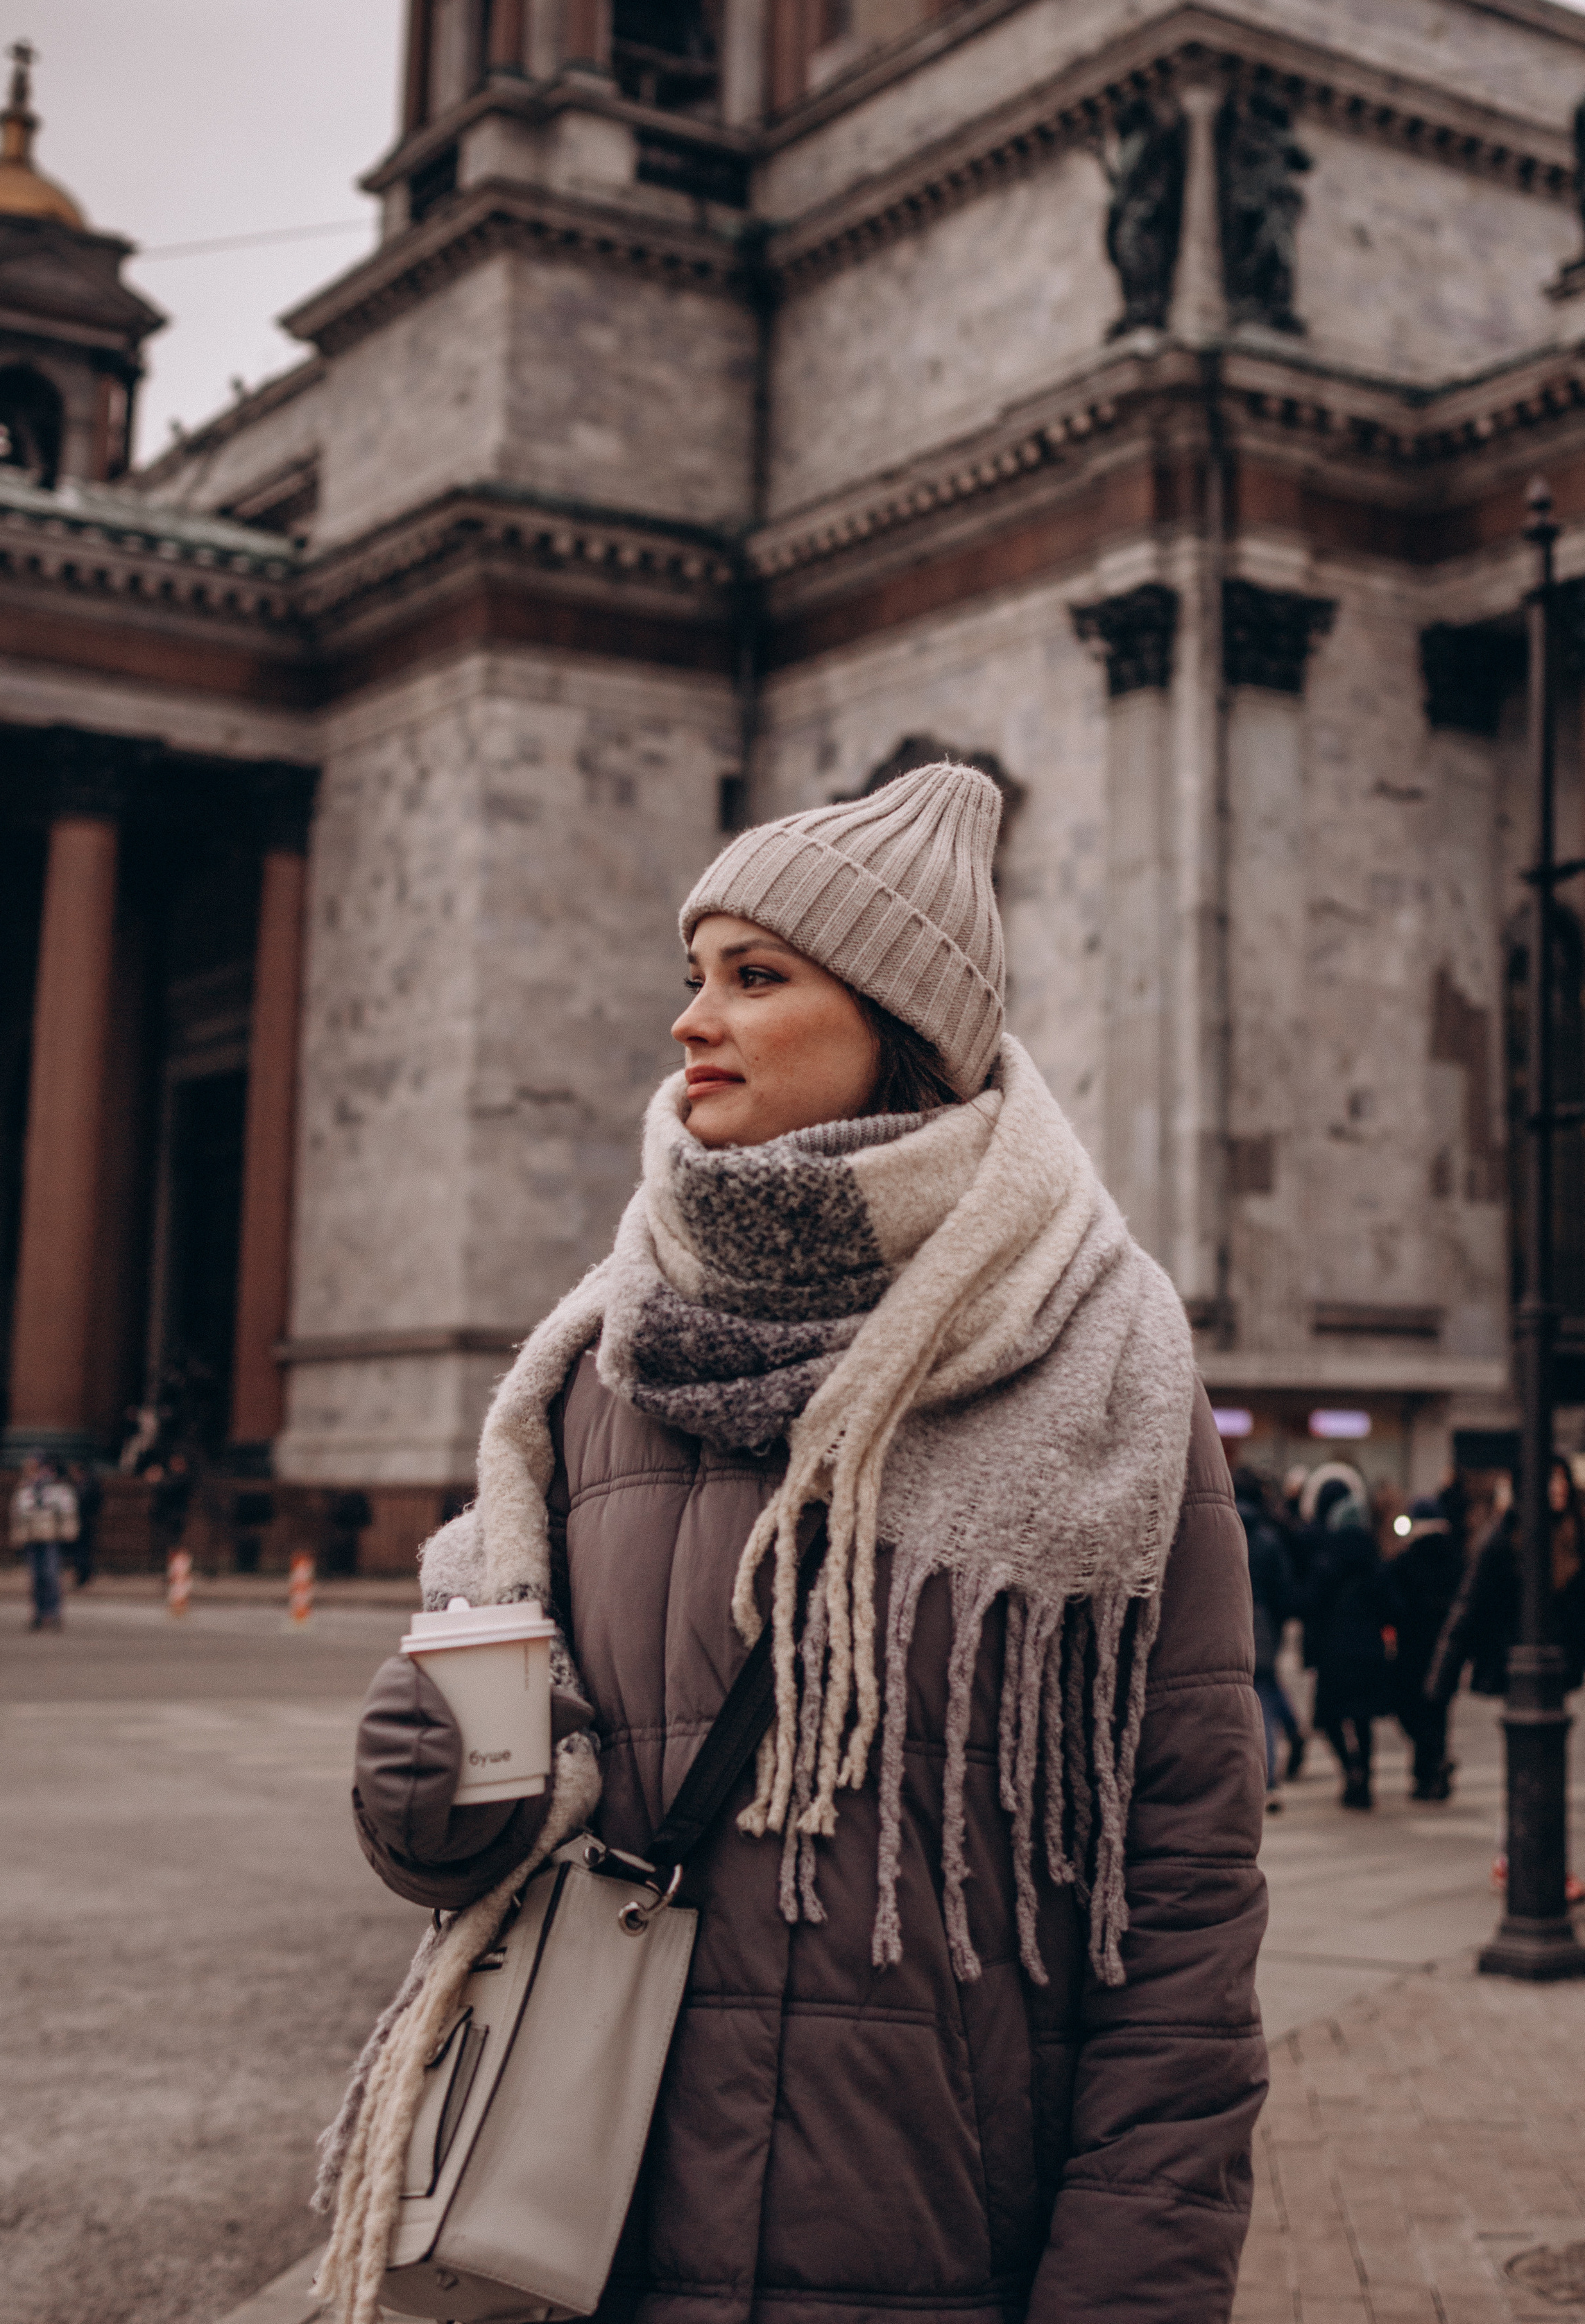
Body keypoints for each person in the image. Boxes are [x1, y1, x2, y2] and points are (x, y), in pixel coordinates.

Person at [321, 765, 1268, 2324]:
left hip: (936, 2248)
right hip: (595, 2238)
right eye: (691, 977)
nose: (692, 1020)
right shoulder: (598, 1363)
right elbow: (454, 1849)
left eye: (756, 979)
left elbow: (1180, 1903)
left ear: (901, 1026)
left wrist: (1131, 2288)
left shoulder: (1099, 1369)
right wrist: (435, 1764)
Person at [1428, 1458, 1585, 1886]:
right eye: (1547, 1480)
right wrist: (1442, 1678)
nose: (1557, 1489)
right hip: (1517, 1668)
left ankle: (1522, 1859)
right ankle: (1527, 1862)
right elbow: (1468, 1609)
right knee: (1530, 1768)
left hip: (1560, 1669)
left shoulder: (1574, 1536)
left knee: (1547, 1768)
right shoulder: (1502, 1540)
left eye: (1561, 1479)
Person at [1302, 1479, 1391, 1809]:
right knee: (1364, 1718)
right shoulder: (1374, 1561)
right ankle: (1365, 1778)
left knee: (1329, 1718)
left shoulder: (1327, 1559)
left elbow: (1311, 1604)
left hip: (1334, 1652)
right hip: (1368, 1651)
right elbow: (1392, 1606)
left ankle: (1350, 1768)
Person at [1384, 1488, 1465, 1800]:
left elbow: (1394, 1605)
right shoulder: (1457, 1558)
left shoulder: (1405, 1561)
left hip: (1413, 1646)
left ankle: (1428, 1769)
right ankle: (1432, 1773)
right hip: (1447, 1648)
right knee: (1439, 1711)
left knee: (1409, 1706)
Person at [1232, 1464, 1303, 1805]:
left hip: (1228, 1617)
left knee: (1257, 1689)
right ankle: (1271, 1776)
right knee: (1265, 1688)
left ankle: (1271, 1770)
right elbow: (1283, 1587)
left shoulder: (1221, 1532)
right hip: (1263, 1622)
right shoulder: (1267, 1535)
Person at [10, 1454, 78, 1630]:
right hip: (32, 1537)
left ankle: (53, 1613)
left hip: (50, 1537)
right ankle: (39, 1613)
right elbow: (18, 1513)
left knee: (51, 1575)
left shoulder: (55, 1487)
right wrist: (18, 1534)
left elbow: (67, 1510)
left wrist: (67, 1530)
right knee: (36, 1577)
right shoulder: (25, 1488)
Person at [65, 1458, 103, 1589]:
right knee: (80, 1552)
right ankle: (82, 1576)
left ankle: (84, 1577)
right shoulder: (82, 1485)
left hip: (85, 1523)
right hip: (82, 1523)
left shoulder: (88, 1485)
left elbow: (87, 1504)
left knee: (83, 1552)